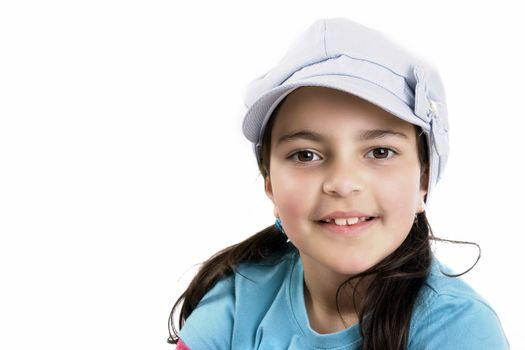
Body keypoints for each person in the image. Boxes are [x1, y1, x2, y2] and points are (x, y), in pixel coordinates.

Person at [167, 17, 510, 349]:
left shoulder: (461, 330)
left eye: (379, 151)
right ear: (269, 183)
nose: (343, 184)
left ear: (424, 179)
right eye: (305, 155)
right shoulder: (239, 295)